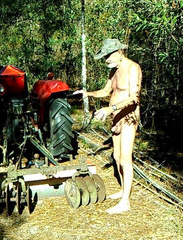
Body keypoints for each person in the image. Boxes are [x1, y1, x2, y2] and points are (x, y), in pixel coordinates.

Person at [73, 39, 142, 214]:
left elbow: (134, 98)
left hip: (129, 117)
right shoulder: (114, 71)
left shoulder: (133, 68)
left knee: (126, 159)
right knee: (117, 158)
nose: (106, 60)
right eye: (104, 56)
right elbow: (105, 92)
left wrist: (110, 108)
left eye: (108, 55)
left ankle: (125, 202)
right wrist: (86, 93)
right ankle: (122, 191)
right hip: (116, 117)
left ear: (119, 51)